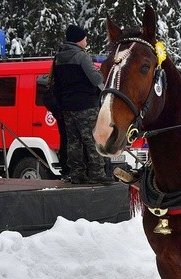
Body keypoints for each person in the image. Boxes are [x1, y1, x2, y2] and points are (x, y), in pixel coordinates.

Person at [53, 24, 111, 184]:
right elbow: (96, 79)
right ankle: (97, 173)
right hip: (86, 104)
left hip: (67, 105)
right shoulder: (82, 56)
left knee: (73, 141)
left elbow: (56, 83)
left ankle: (77, 173)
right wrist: (101, 73)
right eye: (85, 38)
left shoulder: (58, 57)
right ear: (79, 40)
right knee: (92, 139)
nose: (86, 41)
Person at [38, 72, 69, 181]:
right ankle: (67, 170)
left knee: (66, 142)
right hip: (66, 114)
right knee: (68, 142)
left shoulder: (56, 76)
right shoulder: (59, 79)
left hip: (63, 114)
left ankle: (67, 170)